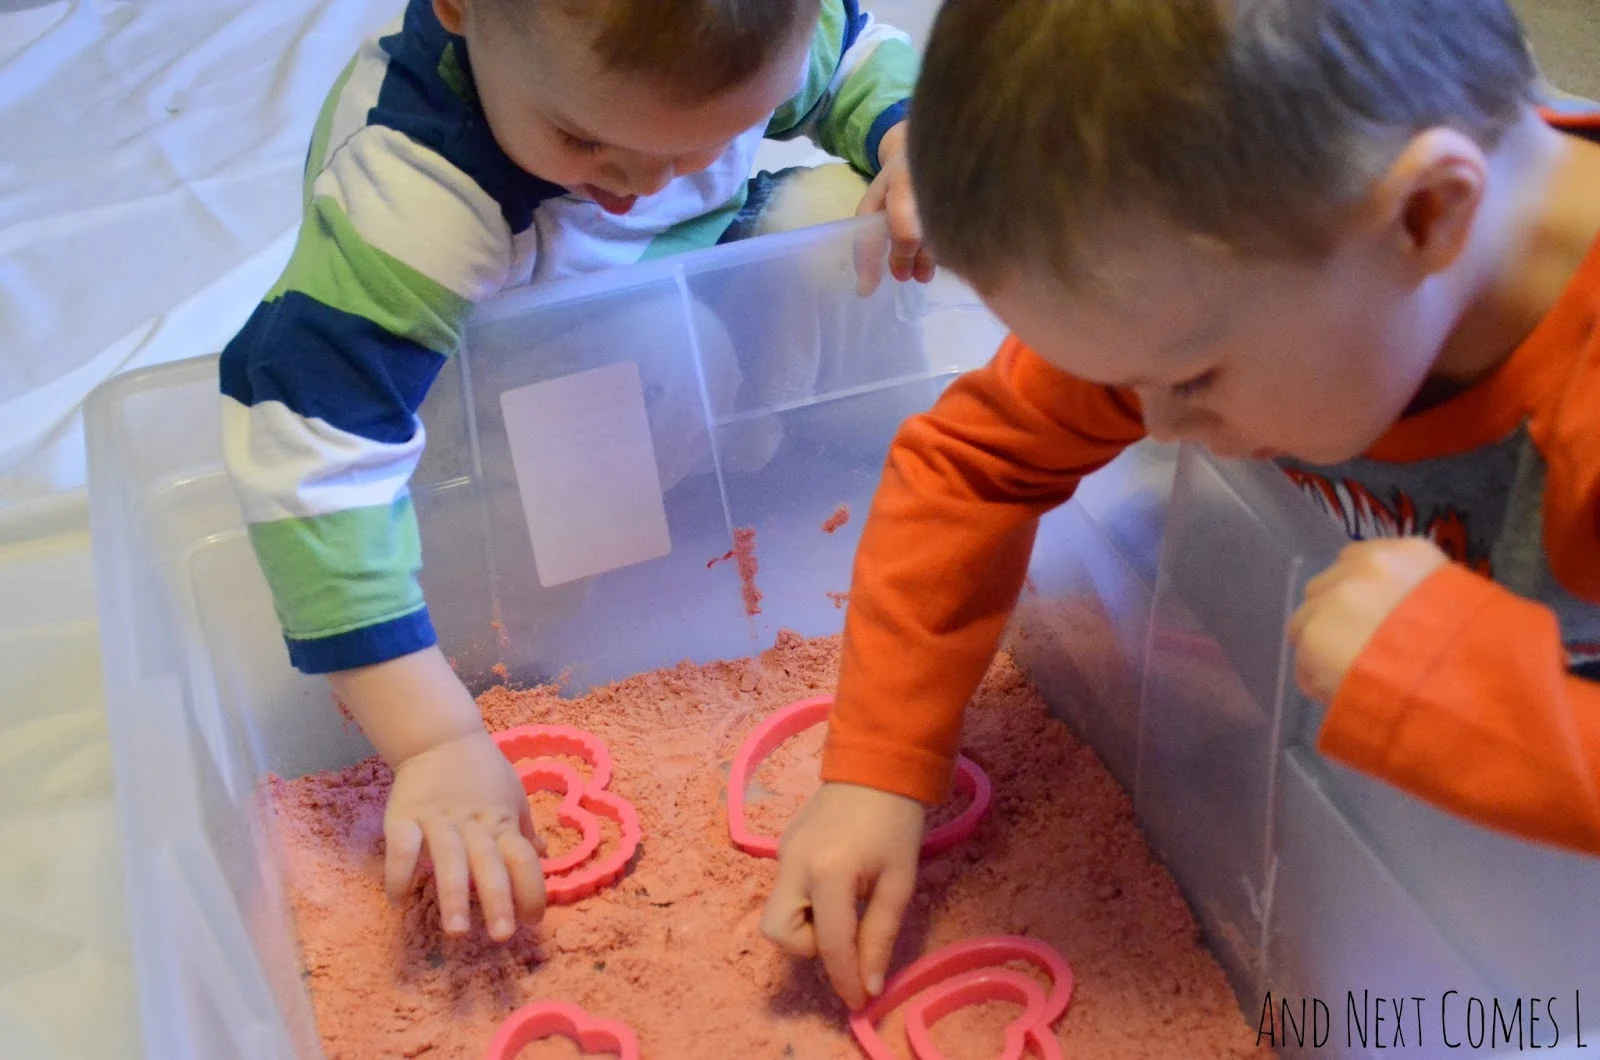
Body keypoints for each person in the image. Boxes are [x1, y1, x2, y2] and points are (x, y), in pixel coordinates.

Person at [761, 0, 1600, 1012]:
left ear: (1424, 216)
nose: (1146, 422)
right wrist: (877, 769)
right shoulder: (1221, 247)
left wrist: (1480, 692)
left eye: (1194, 381)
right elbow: (973, 459)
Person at [218, 0, 929, 944]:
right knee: (646, 365)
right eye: (587, 140)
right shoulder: (421, 192)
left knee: (865, 225)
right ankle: (590, 570)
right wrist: (433, 739)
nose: (639, 184)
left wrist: (914, 138)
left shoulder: (732, 42)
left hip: (668, 286)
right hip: (485, 386)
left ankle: (788, 453)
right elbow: (310, 450)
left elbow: (853, 62)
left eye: (706, 141)